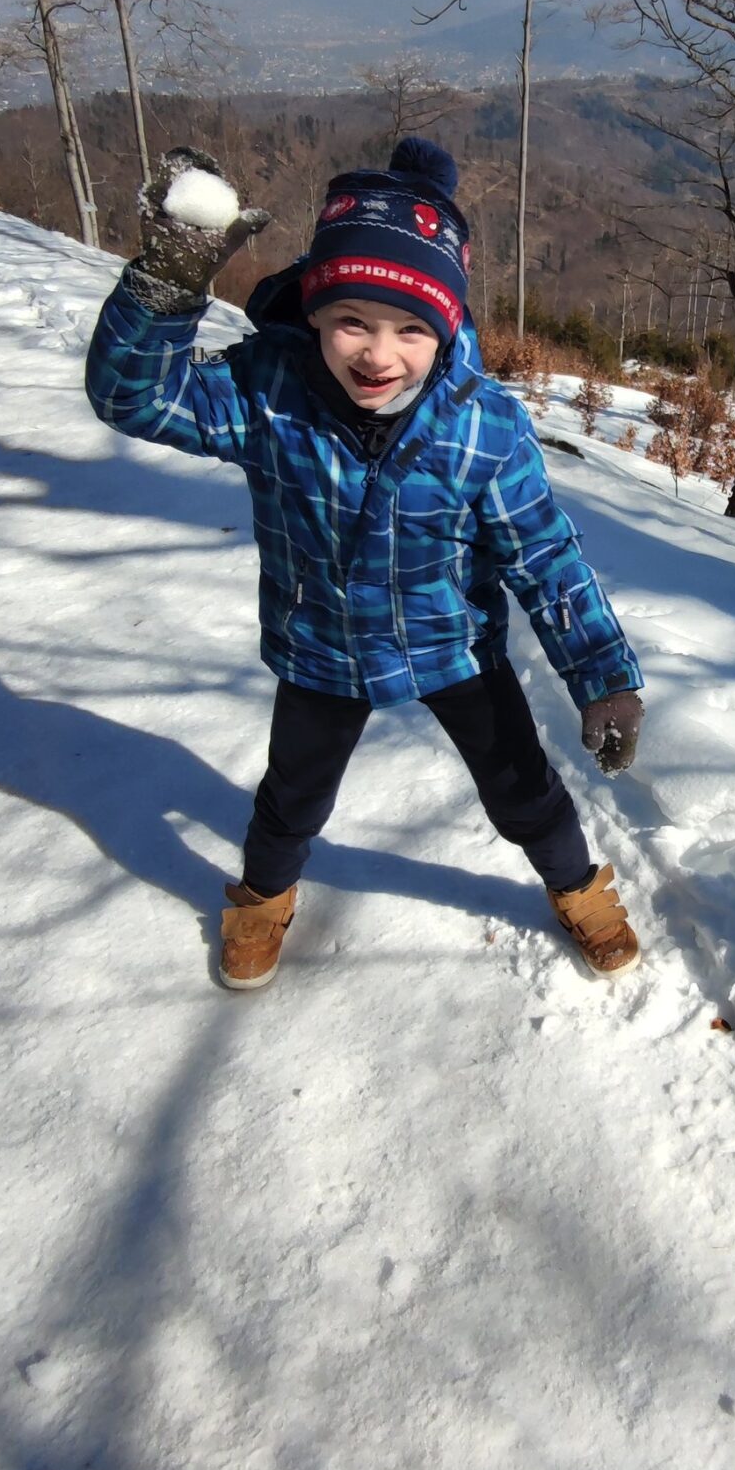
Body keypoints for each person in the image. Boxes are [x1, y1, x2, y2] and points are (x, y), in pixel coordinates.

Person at [84, 137, 648, 991]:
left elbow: (544, 555)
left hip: (454, 646)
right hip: (322, 645)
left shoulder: (482, 427)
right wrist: (165, 287)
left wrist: (603, 675)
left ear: (446, 328)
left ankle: (575, 883)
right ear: (313, 310)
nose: (378, 355)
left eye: (411, 329)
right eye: (353, 320)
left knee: (521, 786)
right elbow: (136, 397)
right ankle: (263, 895)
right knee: (294, 795)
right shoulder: (268, 393)